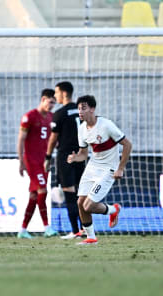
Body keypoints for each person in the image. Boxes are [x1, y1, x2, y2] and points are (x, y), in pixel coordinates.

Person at [67, 95, 132, 245]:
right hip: (92, 167)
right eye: (79, 109)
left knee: (88, 205)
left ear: (92, 109)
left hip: (108, 169)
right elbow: (83, 154)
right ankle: (91, 238)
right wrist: (75, 158)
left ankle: (113, 210)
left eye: (83, 108)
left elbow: (127, 145)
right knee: (80, 203)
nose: (80, 112)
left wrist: (120, 169)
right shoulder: (82, 129)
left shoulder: (106, 125)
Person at [45, 81, 85, 239]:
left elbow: (53, 139)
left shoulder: (60, 113)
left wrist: (47, 157)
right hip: (81, 155)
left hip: (65, 156)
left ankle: (75, 231)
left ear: (63, 93)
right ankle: (85, 229)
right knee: (80, 194)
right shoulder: (81, 111)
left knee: (69, 193)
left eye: (56, 93)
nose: (55, 96)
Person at [17, 89, 58, 239]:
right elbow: (21, 139)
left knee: (34, 196)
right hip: (32, 161)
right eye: (50, 102)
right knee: (43, 191)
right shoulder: (29, 117)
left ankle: (22, 230)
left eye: (54, 103)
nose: (52, 105)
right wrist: (21, 161)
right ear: (43, 99)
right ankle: (47, 227)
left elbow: (54, 139)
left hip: (44, 161)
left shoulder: (52, 117)